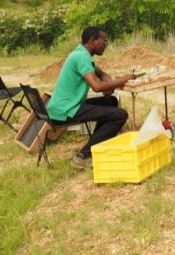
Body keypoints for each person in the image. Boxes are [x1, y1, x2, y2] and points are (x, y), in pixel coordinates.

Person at [47, 26, 137, 169]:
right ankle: (84, 155)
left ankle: (97, 144)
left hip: (67, 106)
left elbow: (102, 75)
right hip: (65, 110)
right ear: (92, 41)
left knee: (111, 101)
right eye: (104, 41)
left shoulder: (81, 53)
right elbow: (96, 86)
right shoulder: (81, 57)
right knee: (120, 115)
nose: (106, 45)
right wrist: (124, 79)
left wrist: (107, 81)